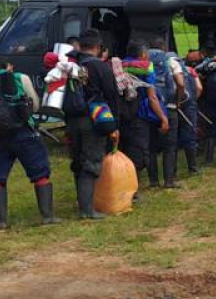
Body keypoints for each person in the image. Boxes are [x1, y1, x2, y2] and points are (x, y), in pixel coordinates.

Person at [0, 62, 55, 229]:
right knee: (40, 172)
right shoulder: (20, 78)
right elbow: (34, 104)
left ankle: (1, 221)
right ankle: (47, 216)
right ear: (9, 66)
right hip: (23, 132)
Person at [68, 30, 119, 219]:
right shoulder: (100, 66)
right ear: (97, 47)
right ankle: (87, 210)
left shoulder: (70, 65)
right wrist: (114, 125)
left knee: (78, 161)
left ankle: (82, 204)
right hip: (93, 120)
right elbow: (112, 96)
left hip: (72, 119)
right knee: (91, 162)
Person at [116, 42, 170, 189]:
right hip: (139, 116)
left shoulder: (118, 65)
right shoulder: (146, 68)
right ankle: (133, 190)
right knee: (139, 153)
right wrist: (163, 118)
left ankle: (121, 185)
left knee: (124, 149)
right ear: (143, 55)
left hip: (120, 115)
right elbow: (152, 97)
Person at [147, 36, 184, 188]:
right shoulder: (171, 61)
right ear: (164, 48)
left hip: (149, 107)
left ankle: (153, 181)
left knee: (151, 146)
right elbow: (181, 84)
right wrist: (178, 100)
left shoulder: (144, 61)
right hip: (169, 107)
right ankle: (169, 181)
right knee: (170, 146)